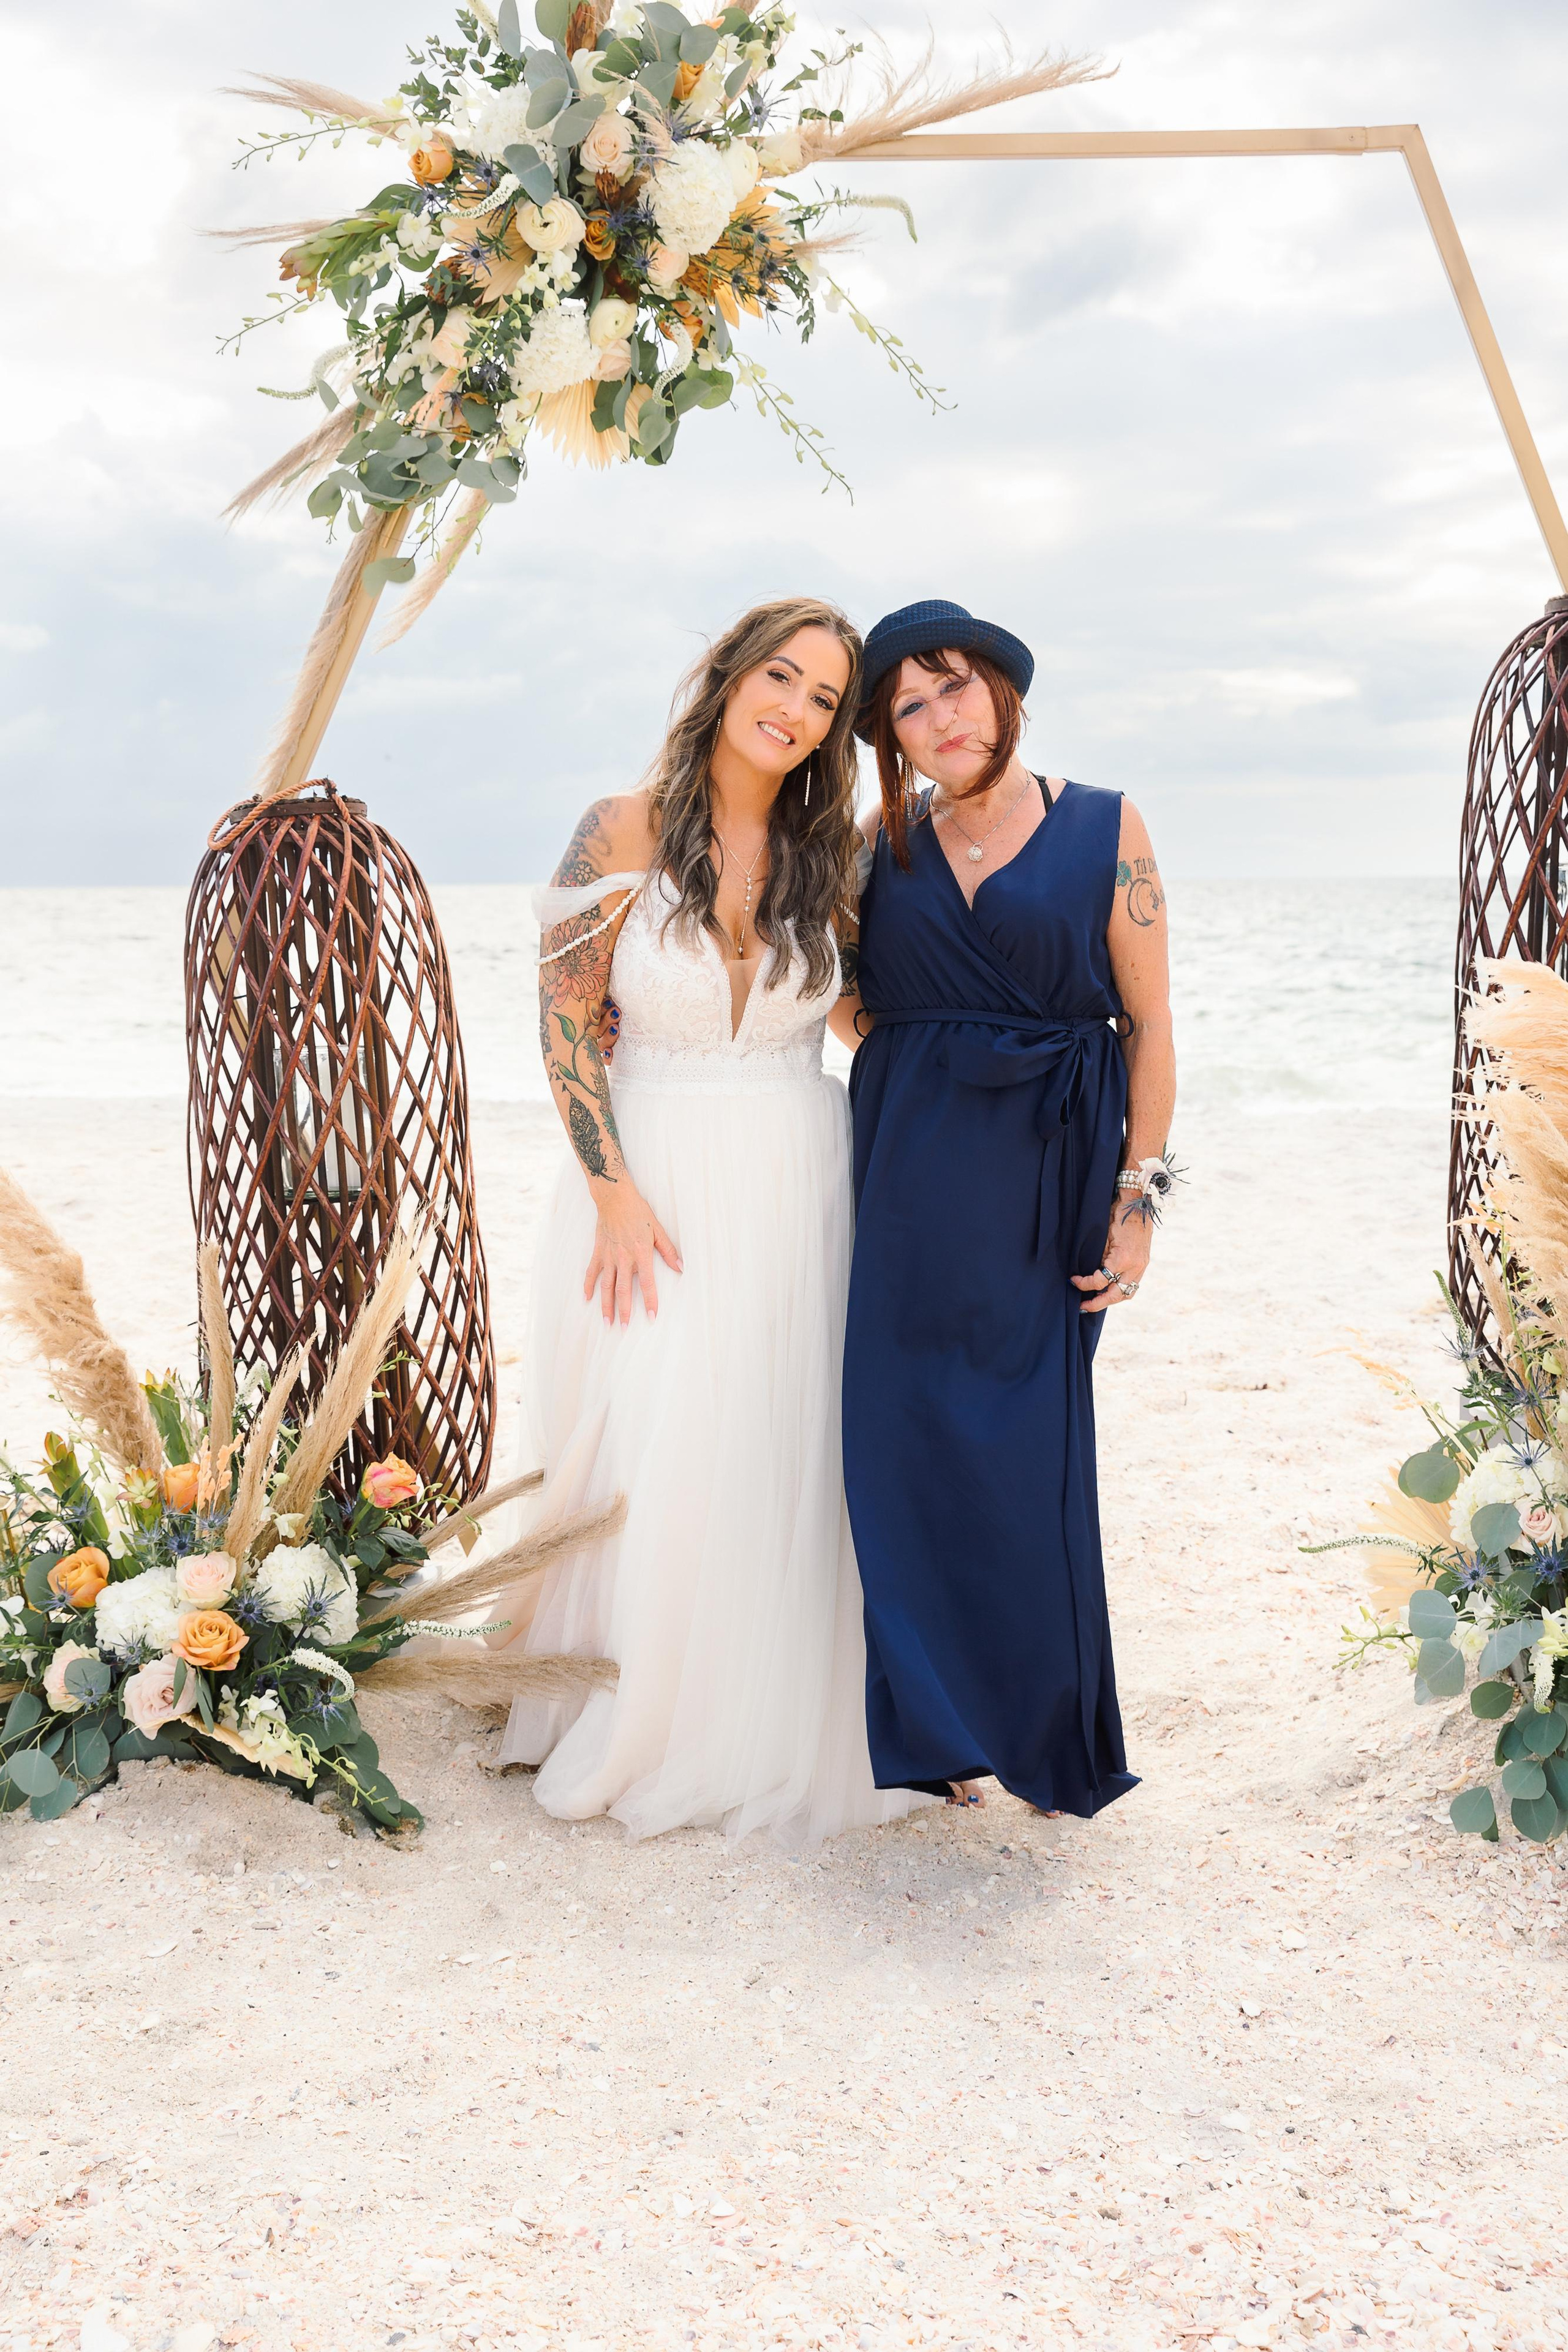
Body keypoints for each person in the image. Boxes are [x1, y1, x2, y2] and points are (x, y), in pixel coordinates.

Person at [491, 597, 931, 1845]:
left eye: (823, 699)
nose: (794, 709)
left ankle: (768, 1714)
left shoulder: (830, 855)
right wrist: (613, 1193)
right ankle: (639, 1705)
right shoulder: (620, 826)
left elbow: (856, 1020)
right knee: (657, 1432)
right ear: (729, 675)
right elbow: (565, 1023)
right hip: (653, 1177)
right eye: (780, 677)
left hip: (801, 1172)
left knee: (776, 1435)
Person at [843, 598, 1176, 1815]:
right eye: (908, 708)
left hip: (1049, 1175)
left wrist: (1137, 1200)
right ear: (891, 739)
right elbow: (827, 989)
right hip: (906, 1177)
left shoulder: (1105, 824)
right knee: (899, 1447)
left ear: (1000, 690)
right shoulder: (879, 843)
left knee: (1025, 1455)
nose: (940, 719)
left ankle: (1043, 1743)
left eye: (954, 686)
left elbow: (1148, 1026)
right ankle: (937, 1738)